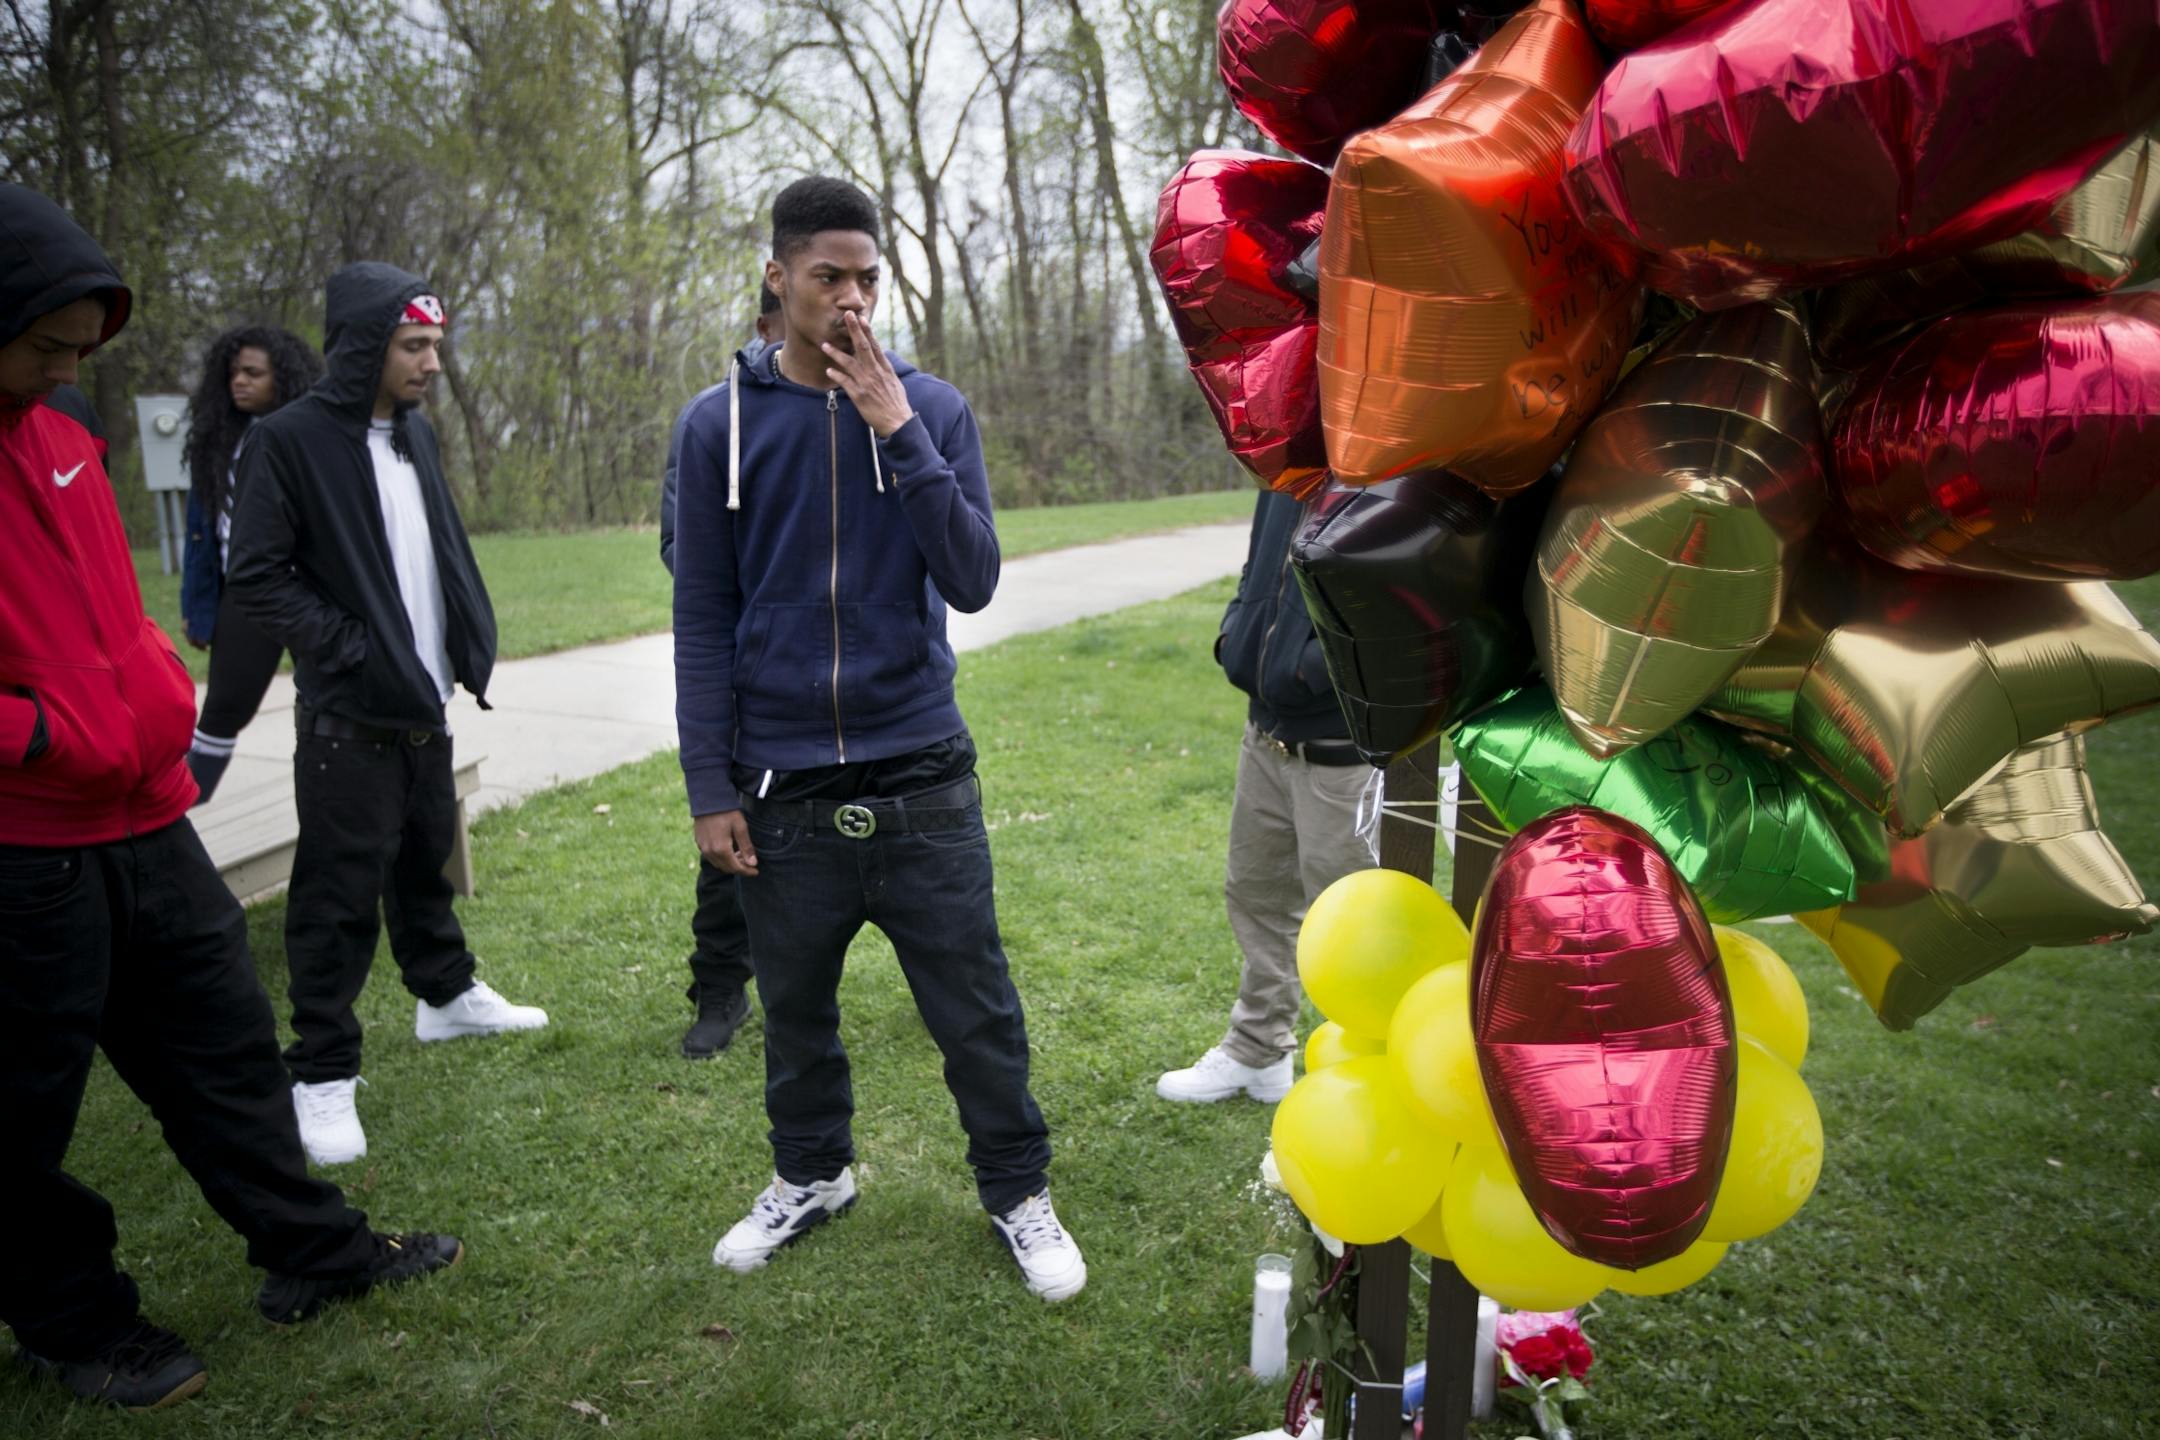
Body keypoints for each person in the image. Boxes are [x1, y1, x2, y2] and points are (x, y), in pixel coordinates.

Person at [1, 182, 461, 1413]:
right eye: (45, 344)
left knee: (224, 1056)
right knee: (23, 1113)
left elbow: (108, 610)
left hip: (144, 814)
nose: (64, 369)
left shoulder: (55, 436)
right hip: (23, 839)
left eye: (80, 349)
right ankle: (73, 1321)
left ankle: (315, 1253)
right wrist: (41, 733)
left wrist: (150, 693)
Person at [674, 177, 1085, 1301]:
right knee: (795, 1013)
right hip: (782, 788)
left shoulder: (936, 410)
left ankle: (1017, 1191)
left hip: (922, 776)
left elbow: (974, 577)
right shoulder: (716, 427)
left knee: (977, 1011)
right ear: (779, 278)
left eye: (866, 278)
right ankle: (811, 1175)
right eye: (827, 277)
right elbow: (703, 618)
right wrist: (710, 783)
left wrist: (898, 430)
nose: (851, 299)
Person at [227, 262, 547, 1169]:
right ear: (366, 345)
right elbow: (257, 573)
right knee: (335, 901)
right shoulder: (289, 442)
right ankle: (321, 1077)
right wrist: (349, 648)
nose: (433, 363)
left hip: (422, 704)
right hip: (347, 718)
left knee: (422, 860)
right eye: (415, 346)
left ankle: (445, 997)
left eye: (437, 345)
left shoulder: (416, 434)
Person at [1156, 489, 1373, 1104]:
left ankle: (1354, 1087)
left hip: (1344, 756)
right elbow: (1259, 566)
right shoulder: (1285, 467)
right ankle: (1257, 1052)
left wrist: (1303, 670)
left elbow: (1399, 616)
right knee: (1255, 894)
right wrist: (1236, 637)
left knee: (1353, 932)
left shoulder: (1393, 469)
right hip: (1267, 736)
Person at [659, 282, 784, 1060]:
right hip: (745, 674)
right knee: (732, 845)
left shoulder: (875, 404)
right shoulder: (713, 421)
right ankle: (720, 988)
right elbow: (683, 548)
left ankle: (938, 980)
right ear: (766, 326)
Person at [178, 326, 323, 803]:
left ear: (282, 377)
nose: (239, 381)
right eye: (233, 373)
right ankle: (178, 810)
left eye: (253, 373)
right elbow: (200, 536)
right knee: (223, 707)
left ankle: (333, 801)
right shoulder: (215, 443)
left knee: (329, 703)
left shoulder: (312, 434)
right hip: (245, 592)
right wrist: (198, 607)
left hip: (309, 590)